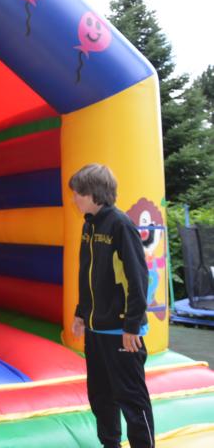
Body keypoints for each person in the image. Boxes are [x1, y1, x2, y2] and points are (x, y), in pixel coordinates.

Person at [69, 163, 155, 448]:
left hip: (121, 330)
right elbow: (88, 275)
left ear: (92, 193)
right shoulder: (89, 225)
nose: (74, 199)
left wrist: (131, 325)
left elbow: (137, 278)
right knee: (101, 396)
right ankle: (110, 444)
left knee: (131, 397)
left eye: (77, 193)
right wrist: (81, 313)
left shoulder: (120, 225)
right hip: (97, 329)